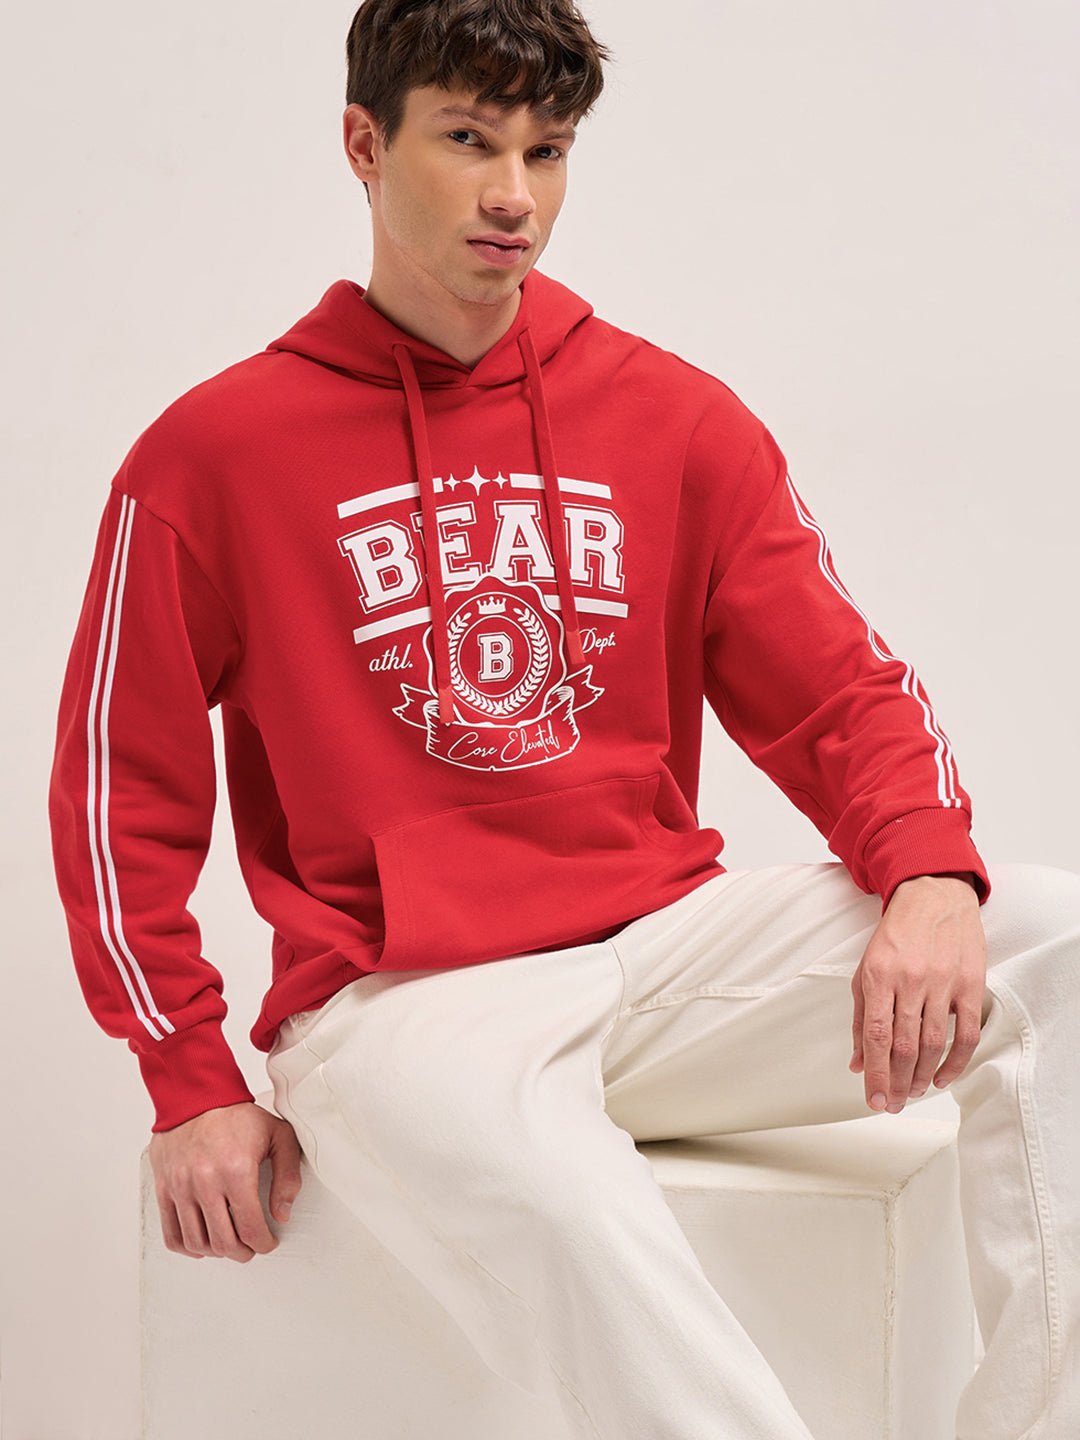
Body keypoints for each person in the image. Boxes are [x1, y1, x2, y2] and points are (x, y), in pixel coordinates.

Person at [49, 2, 1079, 1437]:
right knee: (567, 1212)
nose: (511, 194)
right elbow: (117, 796)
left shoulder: (674, 418)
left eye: (545, 150)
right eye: (468, 140)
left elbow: (841, 687)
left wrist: (924, 874)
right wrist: (189, 1080)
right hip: (398, 1002)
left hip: (658, 956)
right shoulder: (212, 455)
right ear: (364, 144)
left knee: (1054, 936)